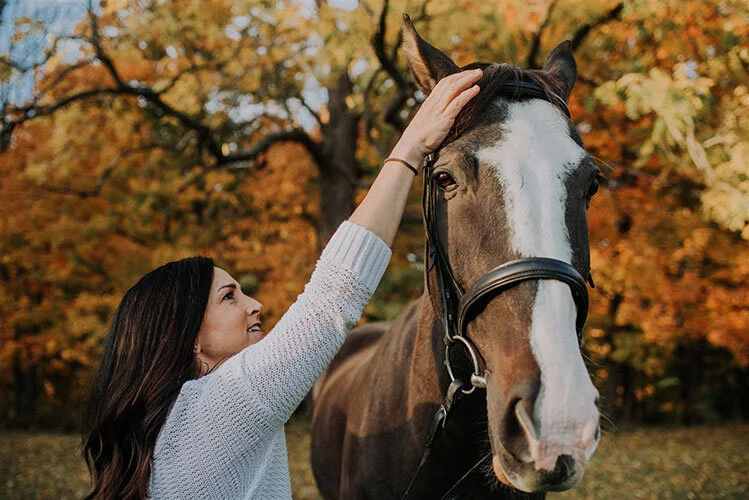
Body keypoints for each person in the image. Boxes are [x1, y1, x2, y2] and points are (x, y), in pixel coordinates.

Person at [82, 68, 483, 499]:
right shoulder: (222, 406)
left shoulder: (163, 433)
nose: (254, 304)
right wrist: (410, 148)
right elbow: (333, 296)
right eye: (228, 297)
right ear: (189, 339)